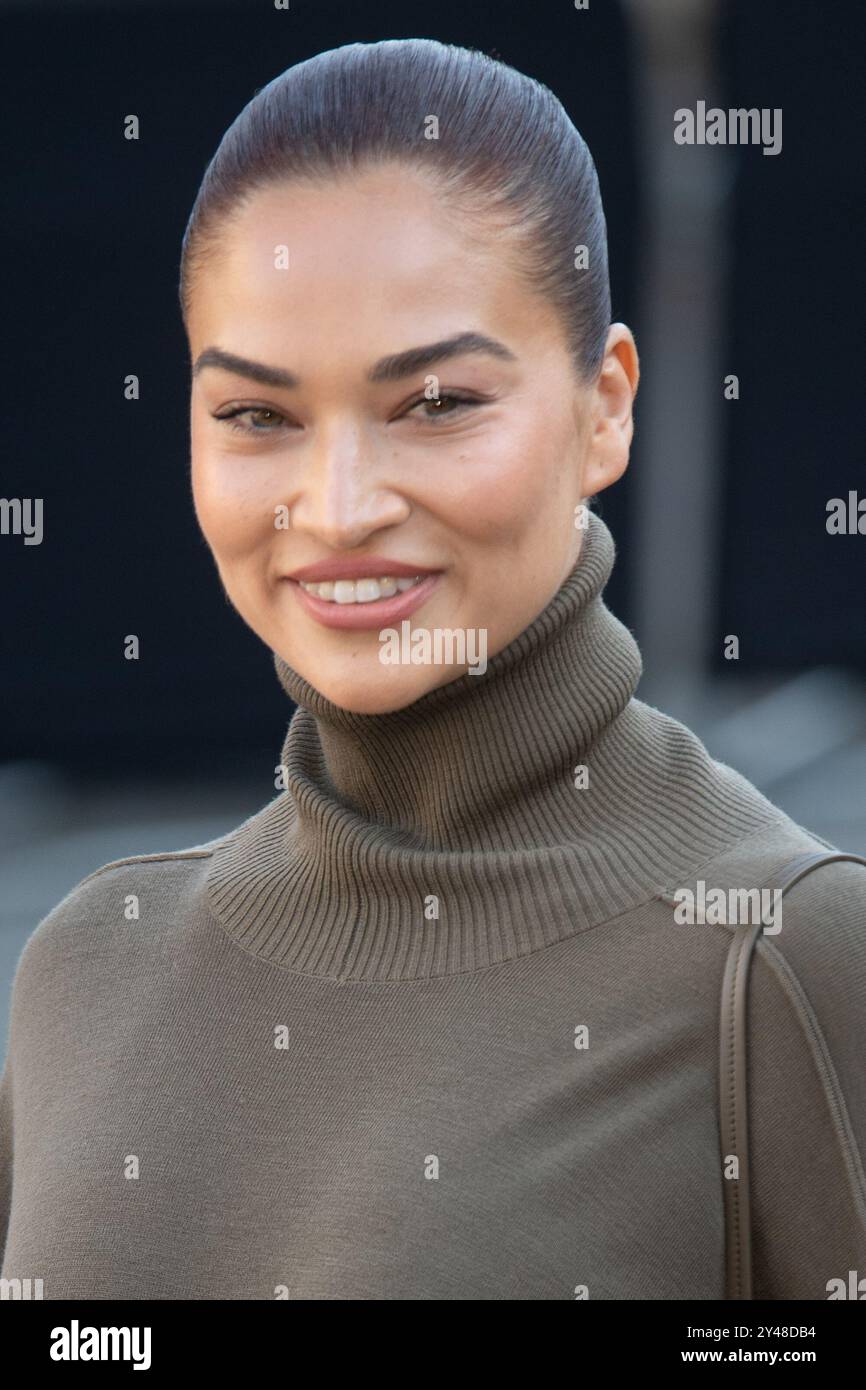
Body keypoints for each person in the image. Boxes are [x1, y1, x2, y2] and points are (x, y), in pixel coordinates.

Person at [1, 38, 864, 1302]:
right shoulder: (85, 970)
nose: (338, 506)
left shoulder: (783, 955)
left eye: (437, 402)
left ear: (604, 407)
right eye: (257, 416)